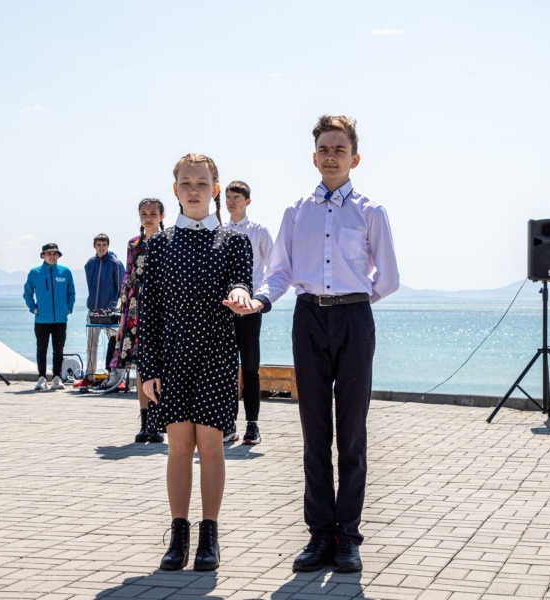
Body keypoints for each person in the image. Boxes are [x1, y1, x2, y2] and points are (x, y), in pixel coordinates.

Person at [228, 115, 400, 573]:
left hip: (354, 321)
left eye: (339, 149)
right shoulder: (296, 211)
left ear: (354, 158)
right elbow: (280, 271)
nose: (331, 156)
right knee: (314, 433)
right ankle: (320, 534)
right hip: (307, 319)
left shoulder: (371, 211)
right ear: (313, 156)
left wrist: (353, 302)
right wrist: (260, 299)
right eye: (324, 149)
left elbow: (388, 278)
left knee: (352, 434)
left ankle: (348, 537)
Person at [139, 153, 253, 571]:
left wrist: (240, 292)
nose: (193, 190)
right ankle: (178, 535)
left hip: (216, 354)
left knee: (211, 445)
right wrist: (148, 369)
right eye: (186, 183)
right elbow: (148, 312)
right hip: (172, 357)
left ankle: (210, 536)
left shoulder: (234, 241)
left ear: (215, 189)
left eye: (202, 183)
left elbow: (242, 280)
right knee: (178, 447)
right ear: (175, 190)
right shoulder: (158, 245)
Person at [108, 198, 166, 443]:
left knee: (161, 365)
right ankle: (145, 422)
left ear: (162, 216)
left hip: (162, 308)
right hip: (136, 308)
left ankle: (159, 421)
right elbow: (128, 278)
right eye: (144, 214)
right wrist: (123, 316)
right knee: (143, 365)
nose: (148, 218)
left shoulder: (170, 241)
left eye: (153, 213)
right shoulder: (134, 244)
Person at [223, 181, 273, 445]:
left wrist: (258, 300)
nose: (231, 202)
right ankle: (227, 424)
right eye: (228, 197)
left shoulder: (259, 231)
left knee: (251, 367)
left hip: (251, 308)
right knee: (226, 368)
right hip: (224, 310)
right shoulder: (219, 232)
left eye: (237, 197)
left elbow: (273, 269)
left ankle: (252, 425)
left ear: (248, 201)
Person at [24, 243, 76, 390]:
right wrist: (33, 308)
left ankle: (56, 378)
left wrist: (68, 308)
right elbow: (27, 293)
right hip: (42, 319)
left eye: (54, 254)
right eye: (49, 254)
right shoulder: (35, 273)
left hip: (60, 319)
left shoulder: (65, 272)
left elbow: (71, 292)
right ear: (43, 256)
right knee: (41, 349)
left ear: (58, 256)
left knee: (58, 350)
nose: (52, 256)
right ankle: (41, 378)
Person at [84, 234, 124, 383]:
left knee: (114, 344)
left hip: (111, 313)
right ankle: (89, 376)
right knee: (91, 345)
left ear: (108, 246)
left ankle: (115, 376)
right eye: (99, 245)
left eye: (104, 245)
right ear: (94, 246)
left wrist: (119, 310)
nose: (101, 248)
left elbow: (121, 290)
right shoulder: (89, 264)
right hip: (93, 311)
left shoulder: (116, 264)